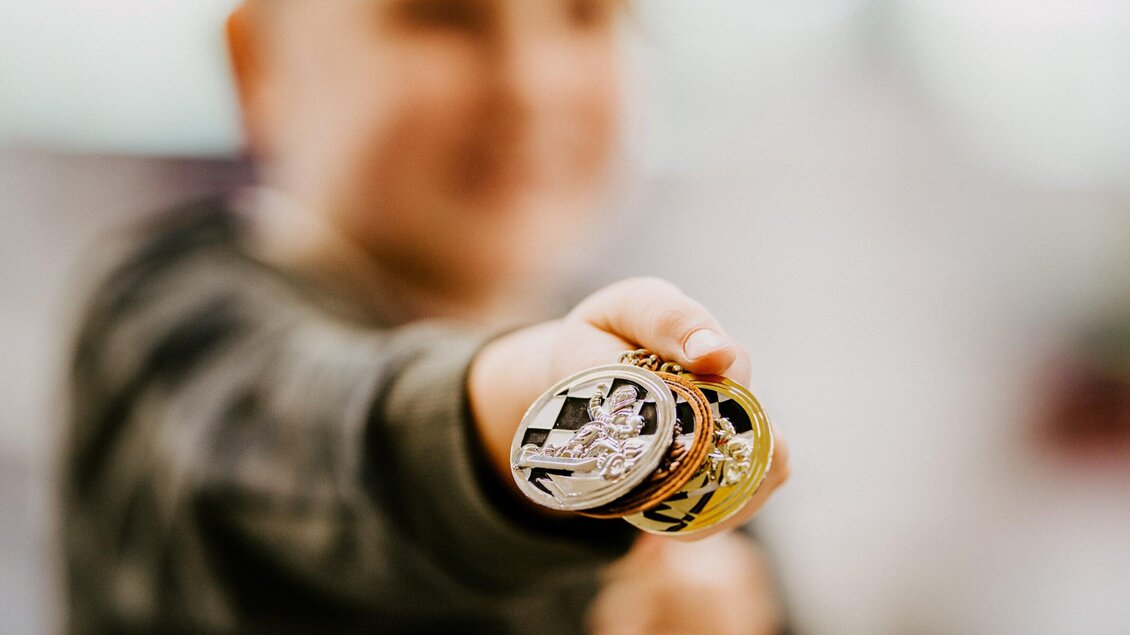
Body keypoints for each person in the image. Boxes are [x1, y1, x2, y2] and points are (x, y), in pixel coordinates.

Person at [61, 0, 790, 633]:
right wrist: (552, 395)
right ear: (259, 61)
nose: (531, 84)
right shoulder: (166, 322)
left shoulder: (671, 389)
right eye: (443, 14)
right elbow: (318, 439)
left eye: (585, 12)